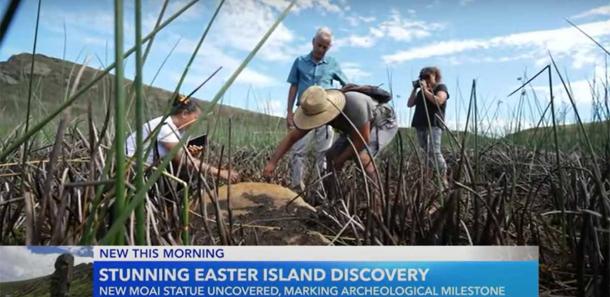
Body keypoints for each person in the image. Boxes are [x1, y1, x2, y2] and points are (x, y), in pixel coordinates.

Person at [263, 85, 398, 199]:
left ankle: (378, 201)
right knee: (331, 156)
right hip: (354, 128)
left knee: (363, 158)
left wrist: (341, 160)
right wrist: (272, 163)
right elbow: (292, 137)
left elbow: (362, 139)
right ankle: (332, 198)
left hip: (382, 122)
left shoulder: (354, 104)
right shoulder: (314, 108)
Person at [285, 27, 348, 191]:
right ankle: (297, 187)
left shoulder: (333, 63)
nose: (321, 49)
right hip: (303, 114)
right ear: (313, 42)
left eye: (325, 47)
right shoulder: (299, 61)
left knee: (324, 153)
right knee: (298, 151)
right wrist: (289, 112)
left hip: (325, 115)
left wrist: (341, 103)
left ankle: (319, 190)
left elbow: (345, 84)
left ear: (329, 47)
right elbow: (293, 86)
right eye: (319, 45)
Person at [125, 95, 239, 182]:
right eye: (195, 118)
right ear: (184, 113)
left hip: (153, 167)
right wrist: (219, 172)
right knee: (189, 172)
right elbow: (182, 159)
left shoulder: (180, 130)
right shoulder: (165, 127)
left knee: (189, 170)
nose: (197, 122)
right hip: (134, 168)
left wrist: (191, 151)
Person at [407, 66, 449, 186]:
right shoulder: (420, 92)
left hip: (434, 125)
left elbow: (439, 101)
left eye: (427, 76)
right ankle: (429, 179)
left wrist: (426, 90)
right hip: (420, 125)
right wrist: (415, 89)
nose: (424, 79)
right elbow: (409, 104)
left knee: (434, 152)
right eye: (422, 77)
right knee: (425, 153)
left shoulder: (440, 88)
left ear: (435, 76)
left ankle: (443, 178)